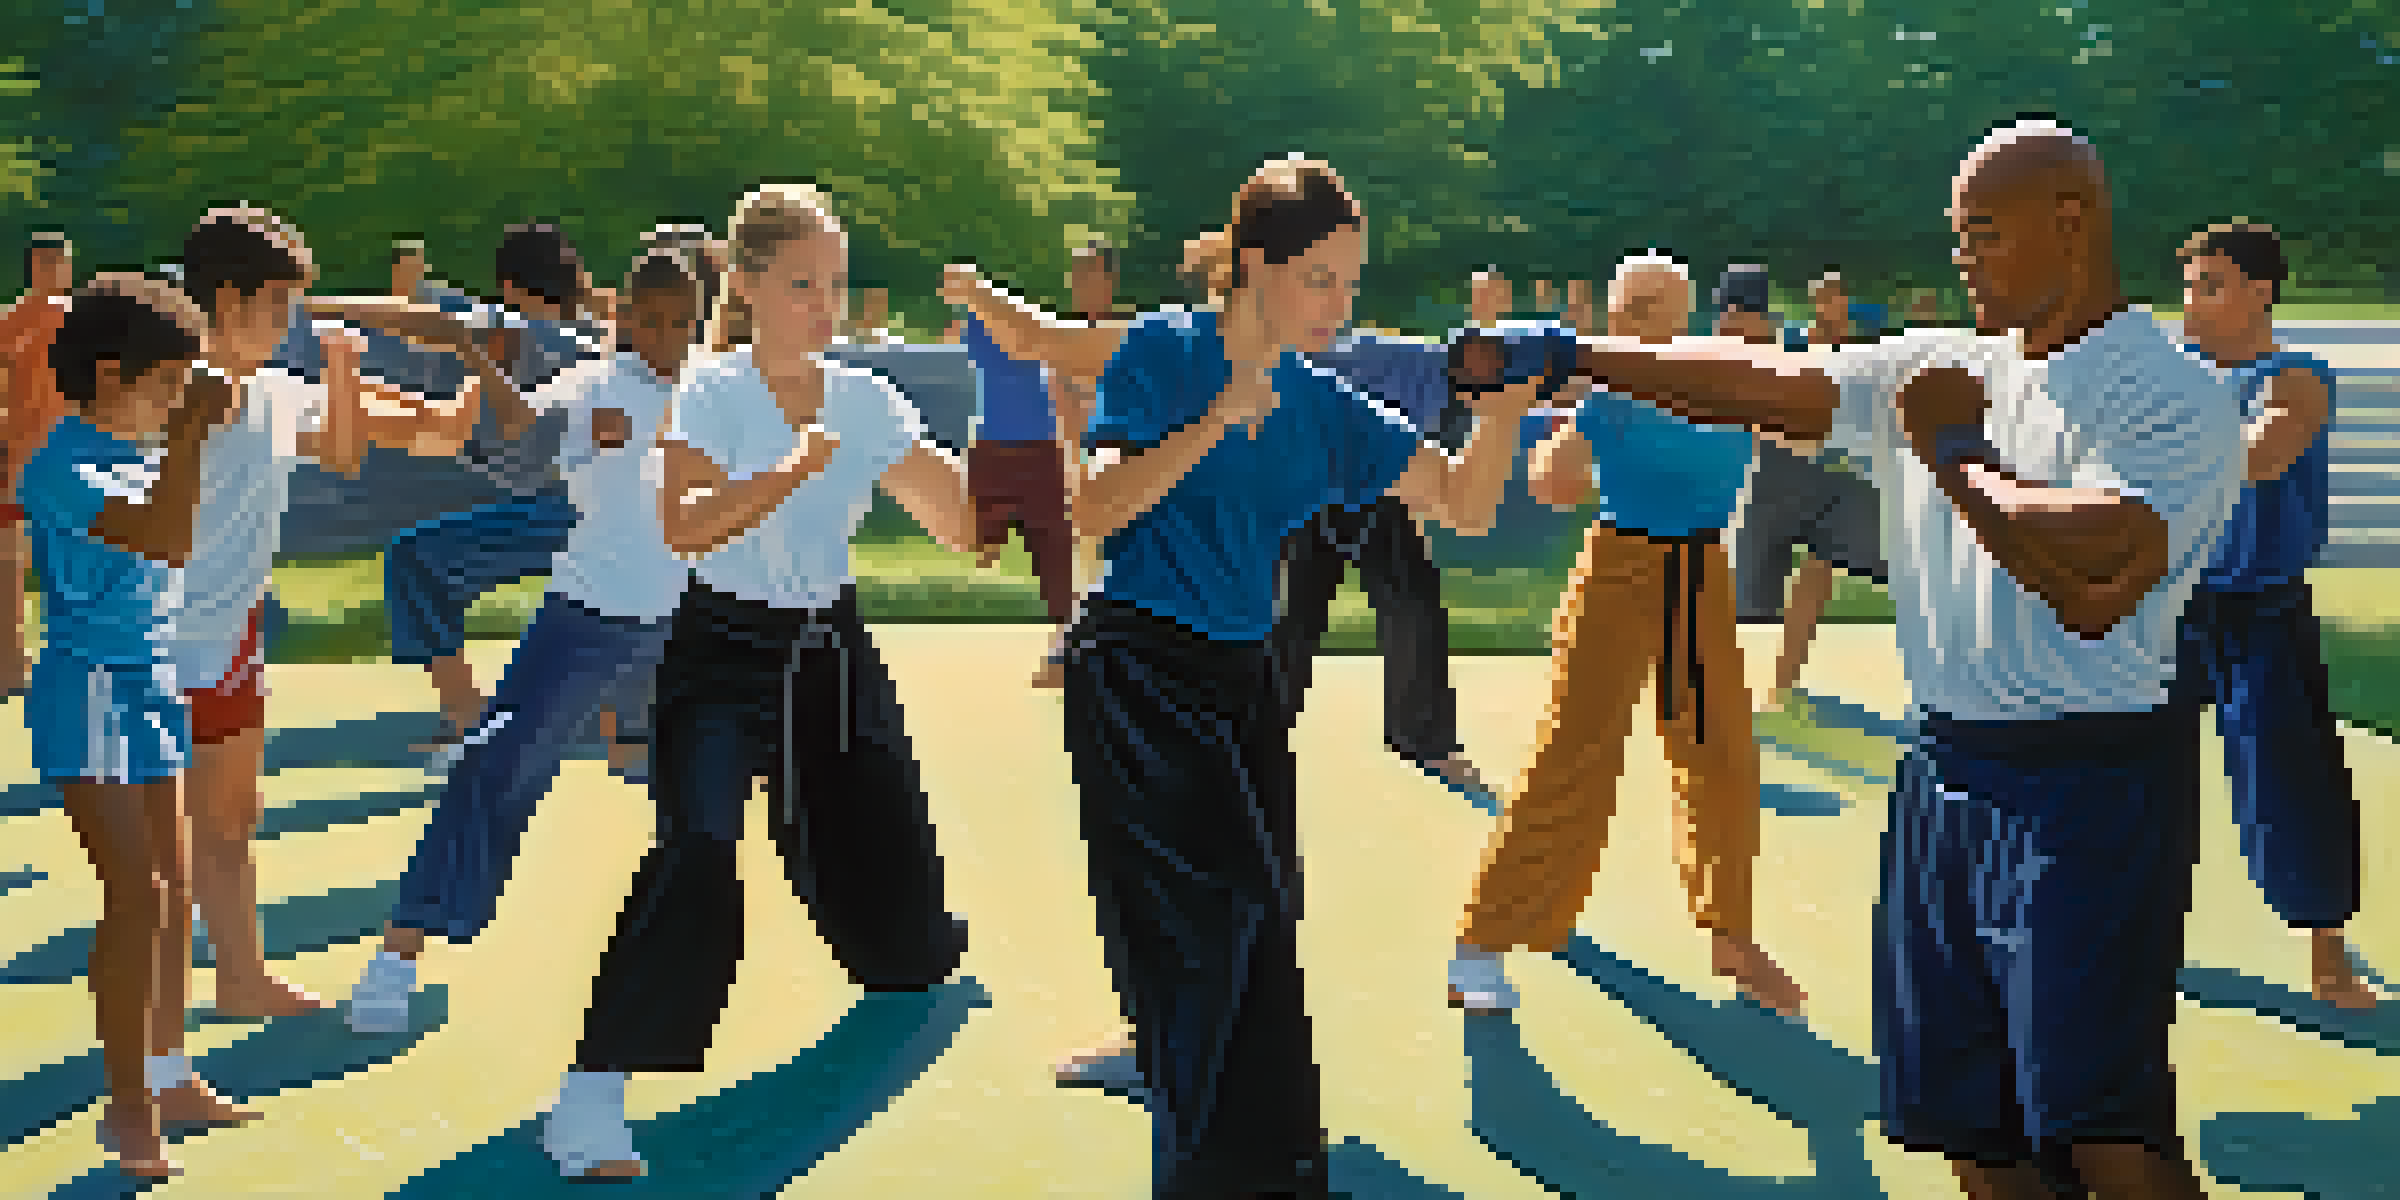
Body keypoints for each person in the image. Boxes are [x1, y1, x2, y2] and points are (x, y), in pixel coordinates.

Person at [1553, 119, 2242, 1199]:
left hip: (2093, 783)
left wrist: (1956, 456)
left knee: (2103, 1131)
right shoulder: (1942, 365)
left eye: (1986, 233)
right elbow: (1755, 383)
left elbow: (2097, 575)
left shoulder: (2169, 392)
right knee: (1974, 1129)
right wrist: (1578, 356)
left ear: (2072, 223)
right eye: (1958, 235)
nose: (1963, 257)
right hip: (1942, 770)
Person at [950, 154, 1537, 1197]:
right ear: (1255, 266)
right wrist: (1219, 416)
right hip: (1135, 671)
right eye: (1319, 279)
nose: (1338, 305)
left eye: (1350, 283)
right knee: (1215, 915)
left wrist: (1500, 415)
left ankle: (1172, 1062)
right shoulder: (1160, 352)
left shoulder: (1324, 402)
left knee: (1261, 906)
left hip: (1241, 678)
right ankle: (1230, 1162)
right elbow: (1094, 511)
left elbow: (1463, 503)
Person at [542, 184, 974, 1179]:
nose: (824, 306)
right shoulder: (711, 392)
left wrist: (1030, 466)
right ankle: (590, 1096)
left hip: (833, 654)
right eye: (800, 285)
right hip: (724, 654)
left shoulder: (868, 400)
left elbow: (963, 528)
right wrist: (791, 469)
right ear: (743, 285)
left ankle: (916, 951)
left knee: (907, 944)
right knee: (698, 846)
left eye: (835, 285)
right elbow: (685, 524)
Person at [346, 247, 707, 1034]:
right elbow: (517, 426)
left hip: (692, 624)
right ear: (624, 318)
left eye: (681, 322)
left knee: (749, 775)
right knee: (492, 765)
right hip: (587, 619)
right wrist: (476, 355)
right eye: (650, 321)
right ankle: (396, 960)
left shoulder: (722, 389)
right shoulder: (591, 386)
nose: (666, 337)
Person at [1448, 253, 1807, 1023]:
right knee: (1573, 755)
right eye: (1638, 307)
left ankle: (1730, 936)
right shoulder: (1608, 398)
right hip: (1618, 568)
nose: (1651, 321)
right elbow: (1553, 486)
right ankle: (1481, 943)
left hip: (1700, 575)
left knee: (1722, 756)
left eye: (1665, 305)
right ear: (1615, 318)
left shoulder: (1727, 383)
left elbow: (1804, 418)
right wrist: (1567, 429)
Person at [170, 208, 436, 1020]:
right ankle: (153, 1026)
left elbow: (345, 454)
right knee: (160, 842)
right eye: (277, 303)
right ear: (228, 299)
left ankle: (240, 979)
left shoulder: (272, 391)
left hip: (233, 638)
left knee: (231, 819)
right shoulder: (175, 388)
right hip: (152, 644)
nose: (288, 322)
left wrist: (344, 368)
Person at [22, 274, 257, 1178]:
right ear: (110, 374)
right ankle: (127, 1110)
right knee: (138, 895)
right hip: (90, 693)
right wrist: (191, 430)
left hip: (152, 690)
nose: (174, 401)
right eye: (164, 384)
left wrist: (198, 417)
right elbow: (163, 538)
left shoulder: (144, 451)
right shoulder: (61, 466)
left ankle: (169, 1077)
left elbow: (181, 511)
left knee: (174, 890)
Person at [2173, 221, 2376, 1010]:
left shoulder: (2295, 376)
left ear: (2260, 293)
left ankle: (2326, 950)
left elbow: (2262, 456)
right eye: (2189, 286)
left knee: (2290, 778)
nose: (2192, 302)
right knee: (2126, 768)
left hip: (2262, 609)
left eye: (2211, 285)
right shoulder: (2177, 373)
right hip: (2171, 603)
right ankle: (2124, 934)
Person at [382, 223, 598, 752]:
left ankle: (466, 714)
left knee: (415, 560)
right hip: (594, 509)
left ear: (510, 287)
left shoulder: (519, 329)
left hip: (571, 511)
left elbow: (416, 316)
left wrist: (319, 308)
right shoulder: (593, 331)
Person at [1716, 264, 1889, 710]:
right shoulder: (1775, 345)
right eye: (1825, 295)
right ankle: (1722, 686)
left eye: (1838, 295)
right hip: (1766, 477)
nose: (1832, 303)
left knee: (1818, 569)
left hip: (1829, 476)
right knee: (1742, 592)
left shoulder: (1847, 352)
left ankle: (1782, 685)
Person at [958, 239, 1116, 687]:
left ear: (1108, 281)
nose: (1081, 284)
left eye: (1091, 274)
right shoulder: (1062, 339)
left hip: (1116, 470)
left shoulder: (1123, 336)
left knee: (1106, 569)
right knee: (1076, 569)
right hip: (1073, 468)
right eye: (1077, 275)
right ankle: (1071, 655)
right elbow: (1065, 409)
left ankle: (1087, 658)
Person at [1, 231, 76, 697]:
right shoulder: (14, 322)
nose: (55, 272)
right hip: (26, 459)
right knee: (15, 563)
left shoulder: (77, 320)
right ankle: (13, 663)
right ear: (35, 268)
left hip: (65, 458)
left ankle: (49, 663)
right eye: (49, 263)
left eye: (60, 263)